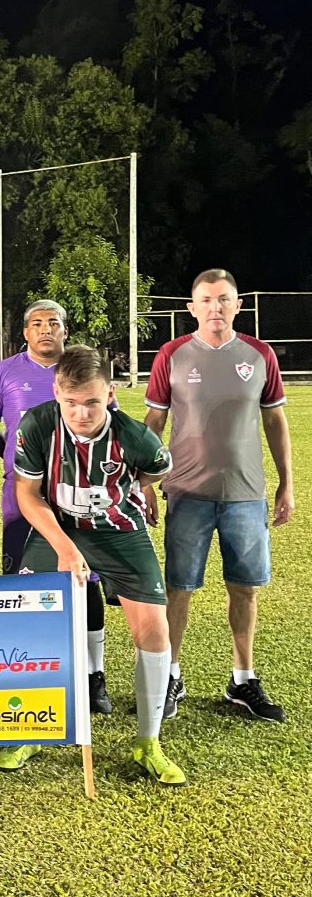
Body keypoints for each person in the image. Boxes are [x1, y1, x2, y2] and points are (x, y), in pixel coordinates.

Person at [9, 345, 183, 786]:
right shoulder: (37, 425)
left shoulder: (135, 436)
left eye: (91, 401)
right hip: (59, 529)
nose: (81, 413)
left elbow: (156, 469)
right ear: (56, 393)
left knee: (153, 631)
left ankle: (148, 741)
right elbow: (27, 494)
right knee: (31, 622)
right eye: (71, 402)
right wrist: (65, 547)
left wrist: (133, 490)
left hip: (119, 532)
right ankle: (33, 729)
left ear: (109, 393)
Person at [144, 269, 294, 724]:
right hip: (186, 492)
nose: (216, 307)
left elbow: (275, 421)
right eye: (207, 300)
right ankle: (170, 676)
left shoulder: (260, 355)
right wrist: (144, 483)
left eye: (224, 299)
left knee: (244, 588)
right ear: (192, 307)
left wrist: (286, 482)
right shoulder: (171, 354)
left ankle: (242, 679)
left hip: (246, 495)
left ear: (237, 305)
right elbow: (153, 424)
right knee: (179, 588)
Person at [0, 299, 114, 714]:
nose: (45, 329)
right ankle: (28, 670)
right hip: (22, 492)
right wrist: (11, 457)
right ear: (25, 332)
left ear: (65, 330)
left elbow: (110, 424)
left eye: (53, 322)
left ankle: (93, 674)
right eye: (36, 323)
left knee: (86, 579)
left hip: (78, 492)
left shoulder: (84, 371)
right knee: (20, 583)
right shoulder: (4, 372)